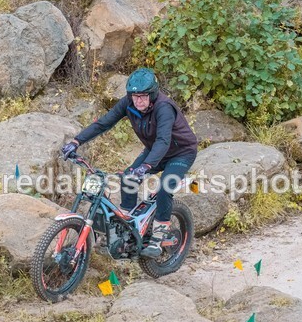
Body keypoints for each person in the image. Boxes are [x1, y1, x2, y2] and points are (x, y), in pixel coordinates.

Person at [60, 68, 198, 258]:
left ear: (152, 94)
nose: (138, 101)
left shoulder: (164, 108)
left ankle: (159, 236)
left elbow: (163, 141)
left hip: (181, 153)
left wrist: (146, 166)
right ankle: (126, 230)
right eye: (135, 96)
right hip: (154, 150)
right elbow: (103, 123)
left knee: (165, 187)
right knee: (128, 178)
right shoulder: (128, 103)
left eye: (143, 96)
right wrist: (76, 141)